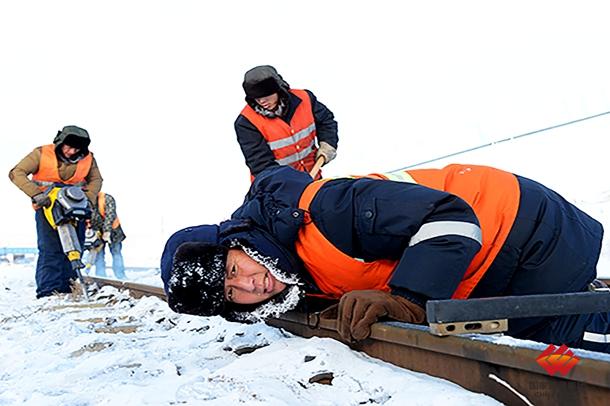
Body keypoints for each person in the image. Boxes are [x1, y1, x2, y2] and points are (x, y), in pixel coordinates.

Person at [161, 164, 609, 353]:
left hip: (521, 228)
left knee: (558, 338)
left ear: (235, 242)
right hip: (486, 263)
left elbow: (449, 217)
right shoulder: (289, 271)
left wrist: (408, 298)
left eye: (233, 269)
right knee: (543, 346)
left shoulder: (324, 210)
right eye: (231, 293)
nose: (248, 284)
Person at [9, 125, 103, 298]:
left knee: (75, 248)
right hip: (47, 207)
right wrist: (36, 194)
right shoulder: (41, 154)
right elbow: (16, 173)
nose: (72, 151)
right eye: (69, 147)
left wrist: (88, 199)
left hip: (75, 207)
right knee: (50, 250)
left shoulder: (88, 158)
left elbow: (96, 179)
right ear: (60, 142)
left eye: (77, 149)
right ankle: (48, 292)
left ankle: (69, 289)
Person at [235, 65, 339, 179]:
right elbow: (260, 164)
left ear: (278, 90)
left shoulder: (305, 99)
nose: (262, 101)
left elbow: (326, 122)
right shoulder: (247, 122)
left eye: (266, 96)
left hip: (312, 176)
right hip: (277, 184)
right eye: (257, 98)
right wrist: (291, 183)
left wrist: (327, 145)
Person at [87, 191, 126, 279]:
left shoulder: (107, 198)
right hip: (97, 232)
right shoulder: (86, 200)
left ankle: (120, 276)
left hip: (113, 230)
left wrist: (107, 232)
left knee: (116, 252)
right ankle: (100, 276)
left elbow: (110, 215)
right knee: (98, 254)